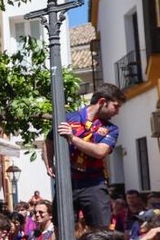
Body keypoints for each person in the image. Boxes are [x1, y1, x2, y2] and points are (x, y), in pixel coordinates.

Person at [52, 84, 126, 230]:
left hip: (93, 183)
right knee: (61, 229)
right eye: (116, 106)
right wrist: (48, 162)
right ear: (102, 102)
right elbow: (49, 140)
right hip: (68, 182)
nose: (117, 112)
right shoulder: (69, 118)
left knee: (101, 230)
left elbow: (100, 152)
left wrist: (73, 138)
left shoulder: (111, 129)